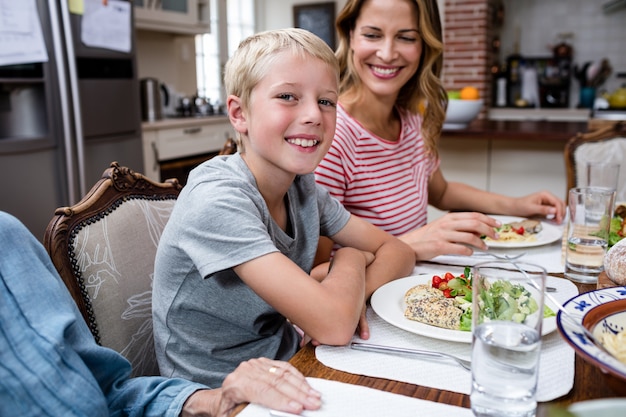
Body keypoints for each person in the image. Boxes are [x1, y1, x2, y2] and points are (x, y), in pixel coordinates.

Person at [152, 28, 415, 388]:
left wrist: (345, 302)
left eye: (326, 101)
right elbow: (335, 325)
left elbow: (399, 251)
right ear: (239, 113)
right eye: (288, 96)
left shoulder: (302, 188)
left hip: (291, 359)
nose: (313, 115)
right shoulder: (218, 199)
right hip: (221, 392)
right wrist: (351, 257)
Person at [313, 0, 566, 263]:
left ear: (425, 46)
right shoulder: (333, 134)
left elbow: (441, 192)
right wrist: (407, 246)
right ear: (351, 35)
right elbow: (316, 270)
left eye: (406, 37)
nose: (387, 53)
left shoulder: (411, 119)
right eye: (372, 35)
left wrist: (516, 205)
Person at [0, 211, 322, 417]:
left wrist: (216, 400)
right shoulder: (217, 201)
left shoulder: (8, 238)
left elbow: (111, 392)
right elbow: (330, 320)